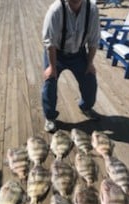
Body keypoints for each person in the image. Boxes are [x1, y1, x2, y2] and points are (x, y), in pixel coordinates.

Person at [41, 0, 101, 133]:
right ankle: (50, 117)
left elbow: (94, 40)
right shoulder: (55, 10)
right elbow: (49, 42)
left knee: (90, 80)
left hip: (79, 53)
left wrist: (90, 63)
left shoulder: (92, 9)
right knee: (49, 82)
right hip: (56, 53)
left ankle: (86, 107)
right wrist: (52, 67)